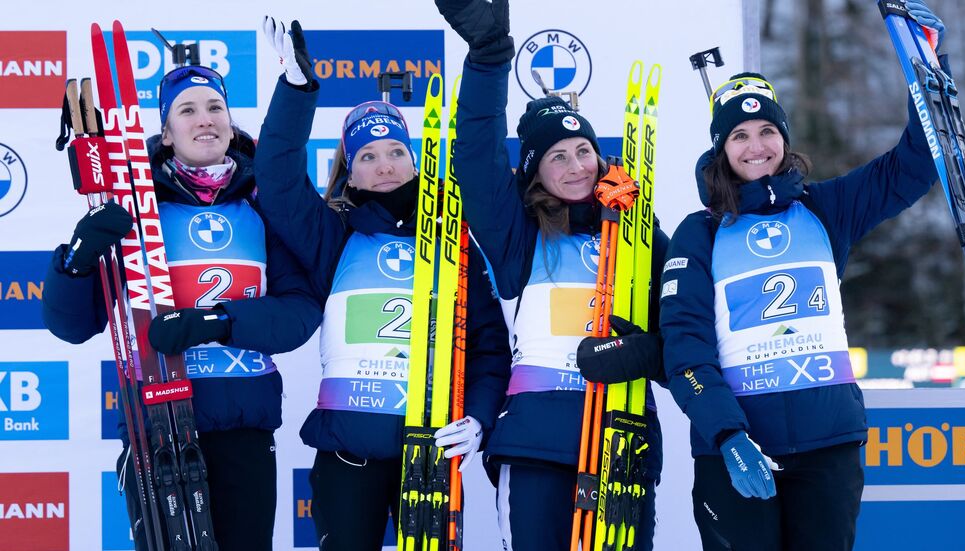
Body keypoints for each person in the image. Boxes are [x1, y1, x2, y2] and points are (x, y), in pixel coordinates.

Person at [658, 2, 945, 549]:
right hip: (738, 447)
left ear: (784, 138)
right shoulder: (700, 232)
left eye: (767, 130)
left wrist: (925, 65)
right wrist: (726, 434)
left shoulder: (825, 208)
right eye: (739, 135)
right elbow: (685, 347)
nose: (756, 146)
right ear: (721, 149)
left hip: (826, 444)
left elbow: (913, 164)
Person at [42, 62, 321, 550]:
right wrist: (77, 259)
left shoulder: (263, 205)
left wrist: (216, 322)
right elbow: (72, 325)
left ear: (230, 123)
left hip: (244, 427)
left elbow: (298, 313)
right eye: (187, 110)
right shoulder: (135, 209)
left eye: (215, 107)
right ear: (167, 134)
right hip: (156, 425)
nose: (205, 119)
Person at [256, 18, 511, 551]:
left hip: (432, 447)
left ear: (414, 160)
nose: (385, 165)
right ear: (349, 173)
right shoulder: (333, 236)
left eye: (396, 151)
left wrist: (480, 418)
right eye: (367, 156)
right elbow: (278, 183)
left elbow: (489, 346)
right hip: (349, 451)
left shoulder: (454, 240)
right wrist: (296, 91)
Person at [435, 1, 669, 549]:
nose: (576, 166)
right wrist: (489, 58)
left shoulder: (638, 232)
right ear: (535, 171)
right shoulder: (519, 235)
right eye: (557, 157)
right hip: (535, 439)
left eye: (583, 150)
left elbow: (683, 327)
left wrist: (648, 351)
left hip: (622, 437)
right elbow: (476, 159)